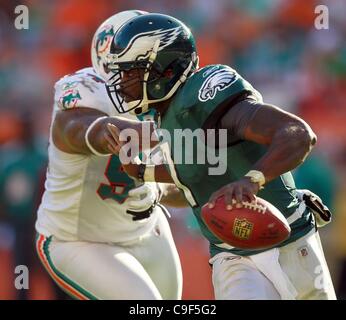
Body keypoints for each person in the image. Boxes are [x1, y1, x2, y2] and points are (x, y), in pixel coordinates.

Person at [104, 13, 336, 300]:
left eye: (132, 71)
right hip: (231, 257)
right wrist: (141, 173)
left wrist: (253, 180)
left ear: (164, 71)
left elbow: (298, 134)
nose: (123, 82)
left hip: (289, 245)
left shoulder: (204, 94)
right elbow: (192, 176)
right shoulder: (167, 116)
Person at [35, 10, 184, 300]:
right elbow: (98, 130)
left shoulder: (165, 98)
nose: (153, 74)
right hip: (78, 240)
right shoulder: (84, 95)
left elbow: (181, 183)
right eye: (139, 65)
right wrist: (182, 131)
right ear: (111, 64)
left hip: (145, 229)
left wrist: (161, 189)